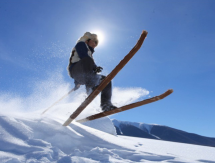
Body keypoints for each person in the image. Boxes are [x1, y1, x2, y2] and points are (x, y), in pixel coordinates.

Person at [68, 32, 116, 112]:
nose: (95, 44)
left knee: (106, 80)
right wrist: (94, 67)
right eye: (95, 42)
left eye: (97, 43)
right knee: (88, 60)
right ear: (88, 40)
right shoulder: (81, 44)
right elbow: (84, 58)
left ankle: (106, 105)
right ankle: (90, 86)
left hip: (83, 75)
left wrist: (77, 83)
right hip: (75, 70)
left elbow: (88, 65)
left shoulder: (89, 53)